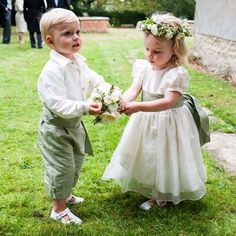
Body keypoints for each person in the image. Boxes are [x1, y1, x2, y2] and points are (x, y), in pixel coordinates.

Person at [102, 13, 210, 210]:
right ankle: (149, 184)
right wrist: (122, 101)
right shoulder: (144, 67)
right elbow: (135, 89)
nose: (150, 55)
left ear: (174, 51)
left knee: (164, 153)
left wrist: (138, 107)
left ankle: (161, 193)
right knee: (147, 152)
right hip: (146, 120)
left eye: (157, 52)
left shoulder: (176, 74)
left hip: (169, 121)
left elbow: (168, 102)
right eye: (147, 49)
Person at [38, 8, 105, 224]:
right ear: (51, 41)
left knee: (75, 163)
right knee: (62, 167)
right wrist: (85, 106)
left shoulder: (78, 62)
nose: (75, 38)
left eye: (77, 32)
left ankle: (65, 194)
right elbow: (57, 104)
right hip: (56, 129)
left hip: (74, 125)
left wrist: (108, 92)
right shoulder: (51, 71)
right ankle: (58, 208)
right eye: (67, 34)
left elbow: (95, 79)